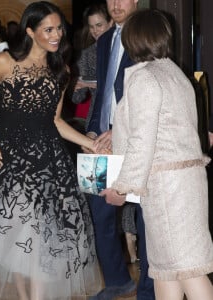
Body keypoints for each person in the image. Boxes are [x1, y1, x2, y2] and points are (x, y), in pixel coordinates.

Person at [0, 2, 102, 299]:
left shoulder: (62, 69)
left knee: (36, 236)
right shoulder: (4, 62)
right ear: (30, 30)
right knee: (19, 235)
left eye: (59, 29)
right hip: (7, 157)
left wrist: (90, 143)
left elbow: (54, 121)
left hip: (45, 161)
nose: (56, 35)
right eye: (48, 30)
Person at [100, 9, 213, 300]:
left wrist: (121, 187)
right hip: (183, 182)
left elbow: (142, 140)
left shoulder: (145, 78)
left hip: (168, 189)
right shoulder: (175, 73)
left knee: (189, 272)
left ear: (132, 39)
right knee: (166, 271)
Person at [86, 0, 155, 299]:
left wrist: (120, 130)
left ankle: (148, 290)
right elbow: (102, 90)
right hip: (100, 140)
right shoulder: (104, 41)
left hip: (135, 140)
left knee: (145, 217)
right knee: (97, 214)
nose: (115, 4)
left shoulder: (146, 35)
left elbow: (148, 93)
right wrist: (91, 128)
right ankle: (116, 280)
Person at [71, 3, 112, 131]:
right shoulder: (87, 54)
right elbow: (78, 98)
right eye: (91, 27)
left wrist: (91, 84)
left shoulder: (125, 49)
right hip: (96, 121)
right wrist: (75, 86)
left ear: (111, 23)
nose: (95, 31)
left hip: (122, 119)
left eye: (99, 25)